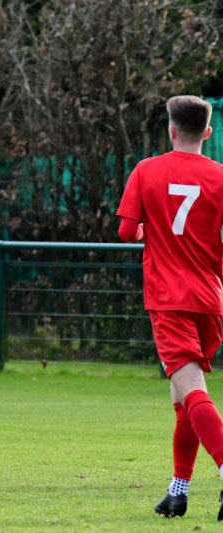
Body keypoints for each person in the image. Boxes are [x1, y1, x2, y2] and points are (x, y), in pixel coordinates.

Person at [117, 95, 223, 519]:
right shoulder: (220, 176)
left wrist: (150, 228)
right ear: (208, 133)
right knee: (183, 399)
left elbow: (126, 232)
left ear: (171, 130)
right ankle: (178, 492)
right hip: (210, 300)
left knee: (193, 392)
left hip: (169, 299)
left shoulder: (147, 170)